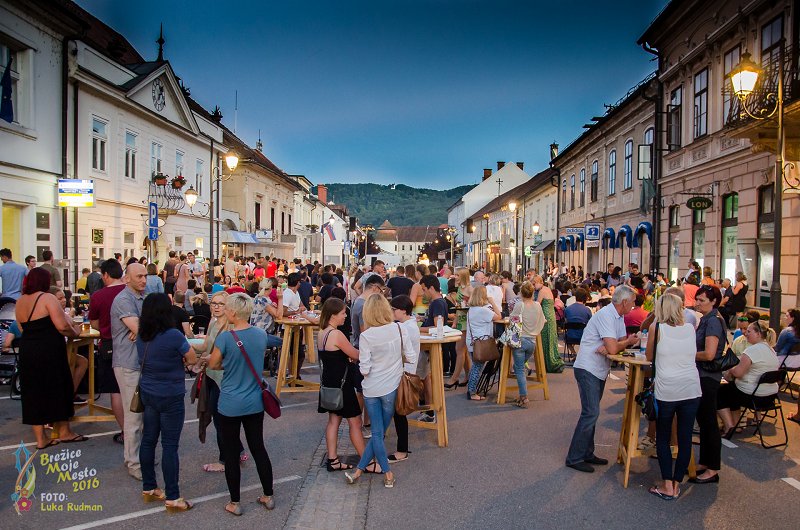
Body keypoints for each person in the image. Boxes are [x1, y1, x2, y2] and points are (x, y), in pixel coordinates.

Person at [208, 293, 275, 515]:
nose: (224, 310)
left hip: (230, 402)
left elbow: (214, 364)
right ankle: (268, 495)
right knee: (258, 448)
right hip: (254, 401)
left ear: (234, 313)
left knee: (230, 453)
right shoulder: (260, 334)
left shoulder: (226, 338)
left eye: (227, 308)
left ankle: (235, 502)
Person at [344, 294, 416, 488]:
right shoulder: (400, 328)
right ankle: (371, 471)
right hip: (392, 386)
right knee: (379, 433)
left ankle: (382, 472)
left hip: (372, 388)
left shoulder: (367, 336)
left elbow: (365, 369)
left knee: (377, 434)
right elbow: (410, 356)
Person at [565, 285, 639, 473]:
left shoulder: (618, 316)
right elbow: (619, 345)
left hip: (597, 368)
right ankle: (574, 457)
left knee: (592, 412)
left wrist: (615, 345)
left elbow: (618, 341)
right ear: (624, 302)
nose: (634, 305)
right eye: (632, 302)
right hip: (588, 367)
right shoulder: (607, 315)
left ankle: (587, 452)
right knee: (591, 412)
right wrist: (619, 344)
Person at [136, 293, 197, 512]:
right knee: (170, 446)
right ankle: (173, 496)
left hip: (148, 391)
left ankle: (149, 487)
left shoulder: (142, 335)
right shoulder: (173, 335)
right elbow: (191, 358)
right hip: (170, 394)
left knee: (148, 440)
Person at [15, 267, 87, 449]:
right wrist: (75, 331)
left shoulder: (20, 301)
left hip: (27, 349)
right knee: (58, 387)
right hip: (48, 349)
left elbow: (22, 328)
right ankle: (65, 432)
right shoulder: (47, 298)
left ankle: (41, 439)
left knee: (33, 392)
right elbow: (62, 325)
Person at [644, 293, 701, 500]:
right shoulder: (689, 329)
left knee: (663, 436)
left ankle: (667, 484)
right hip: (691, 388)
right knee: (685, 437)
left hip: (667, 389)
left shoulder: (656, 328)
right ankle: (677, 483)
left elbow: (650, 356)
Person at [317, 297, 366, 470]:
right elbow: (356, 354)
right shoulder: (336, 334)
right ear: (333, 315)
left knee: (333, 421)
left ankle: (333, 460)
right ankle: (367, 462)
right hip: (342, 384)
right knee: (355, 422)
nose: (345, 316)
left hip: (330, 382)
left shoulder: (322, 332)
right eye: (343, 313)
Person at [111, 263, 147, 480]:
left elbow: (161, 320)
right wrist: (141, 328)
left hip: (142, 362)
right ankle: (133, 463)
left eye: (145, 276)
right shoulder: (123, 300)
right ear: (127, 279)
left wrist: (143, 327)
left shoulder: (144, 296)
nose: (144, 280)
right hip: (128, 363)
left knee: (143, 416)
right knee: (133, 415)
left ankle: (139, 457)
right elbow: (141, 328)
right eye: (139, 276)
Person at [716, 320, 779, 439]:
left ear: (758, 334)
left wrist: (730, 370)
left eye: (749, 331)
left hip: (754, 396)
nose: (745, 334)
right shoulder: (771, 350)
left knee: (720, 391)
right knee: (731, 390)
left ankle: (729, 425)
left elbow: (738, 373)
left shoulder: (752, 350)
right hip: (770, 397)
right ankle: (737, 424)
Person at [691, 284, 727, 484]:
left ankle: (712, 468)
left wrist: (686, 354)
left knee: (709, 423)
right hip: (703, 376)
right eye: (697, 299)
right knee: (705, 422)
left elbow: (710, 354)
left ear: (713, 302)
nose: (697, 303)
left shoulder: (713, 321)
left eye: (702, 300)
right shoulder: (708, 319)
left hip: (707, 377)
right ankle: (706, 462)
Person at [88, 259, 126, 442]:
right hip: (131, 343)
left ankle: (125, 431)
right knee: (134, 388)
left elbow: (94, 323)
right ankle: (136, 429)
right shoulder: (131, 292)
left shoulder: (98, 296)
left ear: (105, 275)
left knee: (116, 390)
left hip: (109, 344)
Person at [388, 295, 421, 462]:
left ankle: (402, 450)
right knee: (397, 411)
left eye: (394, 309)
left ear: (402, 310)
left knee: (399, 411)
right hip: (403, 372)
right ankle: (401, 448)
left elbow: (398, 352)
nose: (392, 312)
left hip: (402, 374)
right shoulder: (408, 324)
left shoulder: (405, 327)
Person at [509, 282, 545, 408]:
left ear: (521, 293)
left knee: (519, 369)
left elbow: (512, 321)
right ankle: (522, 395)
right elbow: (542, 321)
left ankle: (523, 397)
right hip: (532, 341)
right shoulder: (537, 305)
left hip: (520, 340)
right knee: (520, 366)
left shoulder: (520, 305)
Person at [464, 286, 503, 401]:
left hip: (473, 341)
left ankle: (471, 388)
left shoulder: (471, 310)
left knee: (475, 365)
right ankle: (471, 392)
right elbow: (499, 316)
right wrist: (492, 302)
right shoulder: (483, 310)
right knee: (477, 366)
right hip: (481, 342)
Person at [531, 275, 565, 373]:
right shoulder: (547, 289)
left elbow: (537, 303)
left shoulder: (541, 291)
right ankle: (549, 363)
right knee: (549, 340)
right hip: (550, 317)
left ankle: (549, 364)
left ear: (539, 282)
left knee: (546, 341)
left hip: (546, 318)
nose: (533, 286)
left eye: (534, 284)